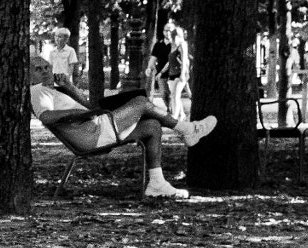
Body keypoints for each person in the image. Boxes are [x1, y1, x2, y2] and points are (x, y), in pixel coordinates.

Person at [28, 53, 216, 199]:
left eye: (47, 66)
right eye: (38, 69)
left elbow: (89, 107)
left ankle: (157, 184)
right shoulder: (37, 91)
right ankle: (188, 130)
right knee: (141, 101)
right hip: (93, 133)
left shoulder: (53, 90)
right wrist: (80, 114)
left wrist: (69, 87)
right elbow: (47, 117)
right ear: (30, 75)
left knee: (152, 127)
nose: (45, 71)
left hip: (95, 130)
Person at [151, 27, 188, 118]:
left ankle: (174, 117)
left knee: (175, 95)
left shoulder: (182, 45)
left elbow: (184, 60)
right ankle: (182, 114)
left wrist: (183, 74)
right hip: (172, 74)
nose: (172, 37)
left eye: (174, 36)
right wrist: (161, 72)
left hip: (180, 74)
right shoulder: (173, 46)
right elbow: (169, 62)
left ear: (178, 36)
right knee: (174, 95)